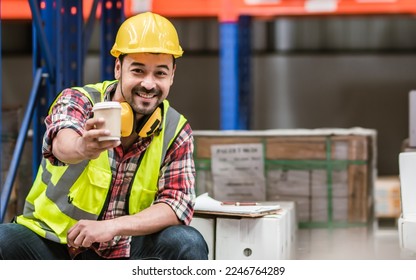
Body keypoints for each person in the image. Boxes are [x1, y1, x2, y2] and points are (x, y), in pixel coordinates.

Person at [0, 12, 208, 260]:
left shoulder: (176, 131)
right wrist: (82, 147)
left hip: (125, 250)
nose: (149, 84)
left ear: (172, 75)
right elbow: (61, 142)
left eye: (160, 73)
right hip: (55, 245)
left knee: (187, 242)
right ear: (118, 68)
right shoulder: (78, 100)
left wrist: (111, 227)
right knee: (4, 240)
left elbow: (177, 205)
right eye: (138, 70)